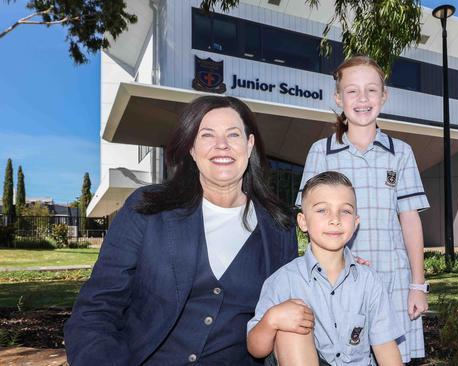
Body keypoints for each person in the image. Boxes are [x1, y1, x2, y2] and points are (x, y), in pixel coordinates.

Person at [64, 95, 298, 365]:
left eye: (233, 135)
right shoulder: (148, 208)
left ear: (249, 144)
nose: (221, 145)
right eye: (207, 135)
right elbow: (96, 310)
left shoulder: (280, 228)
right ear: (192, 149)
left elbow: (290, 317)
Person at [296, 56, 430, 363]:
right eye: (352, 91)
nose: (362, 99)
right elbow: (311, 222)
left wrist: (417, 285)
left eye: (371, 90)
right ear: (338, 97)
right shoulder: (320, 153)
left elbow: (410, 220)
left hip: (392, 281)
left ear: (384, 96)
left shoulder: (401, 153)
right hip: (337, 282)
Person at [248, 171, 404, 366]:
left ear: (356, 222)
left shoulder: (369, 280)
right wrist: (271, 320)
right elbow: (256, 349)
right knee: (291, 323)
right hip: (301, 358)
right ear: (303, 221)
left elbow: (387, 350)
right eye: (322, 210)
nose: (335, 219)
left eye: (345, 211)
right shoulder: (282, 280)